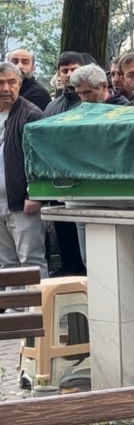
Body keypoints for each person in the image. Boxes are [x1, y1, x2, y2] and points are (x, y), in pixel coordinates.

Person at [0, 62, 48, 278]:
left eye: (12, 82)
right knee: (6, 263)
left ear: (20, 84)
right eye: (0, 83)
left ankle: (40, 301)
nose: (6, 88)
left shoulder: (31, 114)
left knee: (31, 261)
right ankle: (13, 301)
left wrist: (34, 194)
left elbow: (41, 158)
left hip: (22, 202)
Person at [43, 52, 88, 117]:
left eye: (74, 70)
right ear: (59, 74)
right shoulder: (52, 108)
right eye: (65, 71)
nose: (69, 74)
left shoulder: (95, 102)